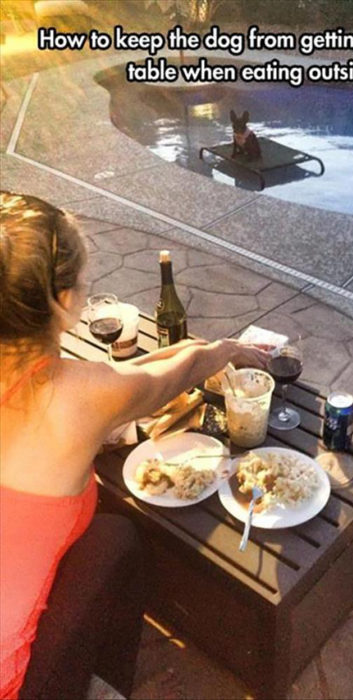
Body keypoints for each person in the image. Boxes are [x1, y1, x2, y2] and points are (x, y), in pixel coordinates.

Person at [0, 192, 269, 699]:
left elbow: (118, 377)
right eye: (83, 283)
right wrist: (223, 352)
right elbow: (159, 384)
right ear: (62, 302)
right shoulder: (74, 397)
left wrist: (191, 349)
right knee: (115, 541)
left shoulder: (61, 383)